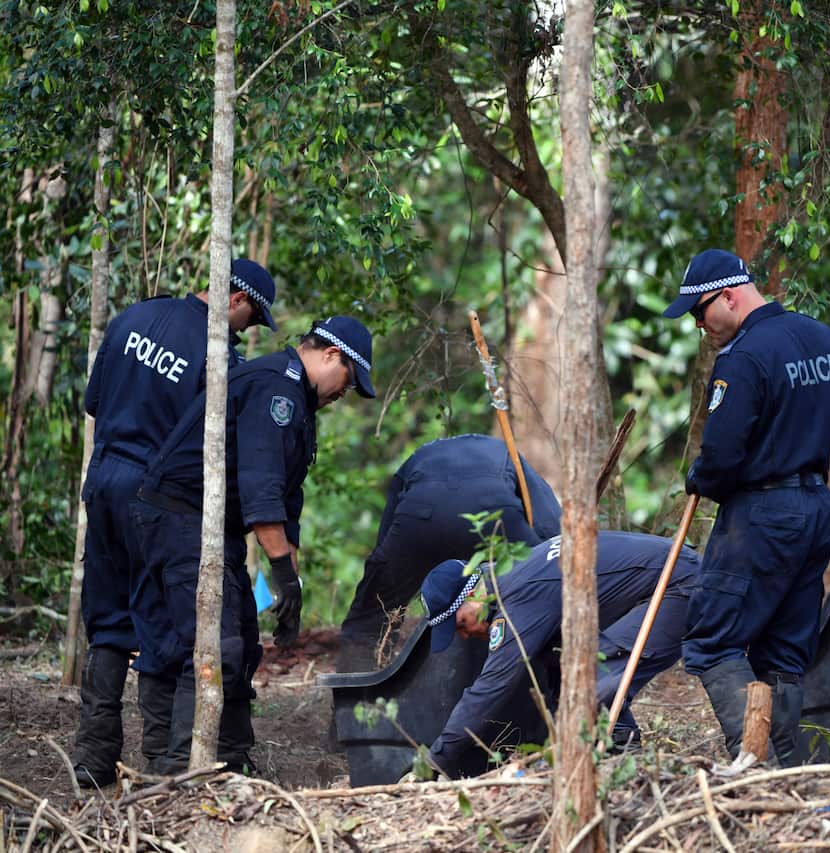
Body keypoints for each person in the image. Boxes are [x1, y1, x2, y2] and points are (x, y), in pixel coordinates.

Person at [133, 315, 376, 774]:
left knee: (242, 639)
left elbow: (287, 500)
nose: (344, 393)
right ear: (329, 354)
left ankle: (231, 758)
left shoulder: (297, 402)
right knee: (211, 644)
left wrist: (291, 587)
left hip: (212, 526)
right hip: (179, 516)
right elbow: (263, 492)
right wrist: (282, 572)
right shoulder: (276, 390)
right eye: (348, 379)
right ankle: (179, 769)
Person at [71, 258, 278, 789]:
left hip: (104, 481)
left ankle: (93, 760)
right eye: (249, 319)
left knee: (107, 617)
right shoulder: (217, 356)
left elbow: (94, 402)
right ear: (235, 300)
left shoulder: (133, 317)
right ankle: (164, 757)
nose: (245, 332)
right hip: (156, 500)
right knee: (162, 622)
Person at [661, 248, 830, 767]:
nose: (700, 326)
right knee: (784, 653)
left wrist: (700, 477)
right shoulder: (822, 338)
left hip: (763, 516)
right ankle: (787, 768)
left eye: (701, 312)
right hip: (815, 507)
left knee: (711, 642)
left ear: (730, 295)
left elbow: (720, 456)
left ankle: (756, 761)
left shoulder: (742, 357)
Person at [424, 531, 699, 779]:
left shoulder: (517, 599)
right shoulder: (513, 575)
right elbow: (557, 660)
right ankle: (620, 754)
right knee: (573, 666)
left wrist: (436, 761)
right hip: (675, 570)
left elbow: (491, 687)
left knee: (589, 681)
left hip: (676, 583)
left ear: (474, 595)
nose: (463, 634)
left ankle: (623, 759)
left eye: (461, 623)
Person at [337, 434, 562, 673]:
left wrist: (385, 578)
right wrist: (556, 564)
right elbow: (549, 527)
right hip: (492, 511)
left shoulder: (419, 456)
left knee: (373, 609)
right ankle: (556, 673)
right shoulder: (506, 451)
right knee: (545, 582)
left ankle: (357, 685)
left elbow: (386, 539)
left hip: (422, 515)